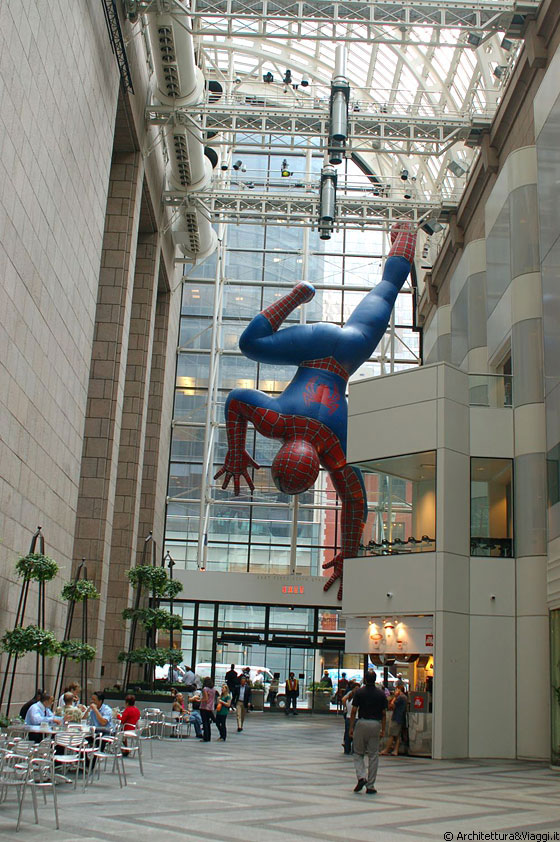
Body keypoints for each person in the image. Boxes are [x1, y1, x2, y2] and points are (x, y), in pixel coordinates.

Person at [215, 222, 417, 599]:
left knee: (388, 289)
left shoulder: (334, 449)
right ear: (279, 455)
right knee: (251, 344)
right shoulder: (277, 422)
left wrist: (349, 554)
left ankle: (406, 234)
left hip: (349, 352)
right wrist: (236, 451)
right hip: (315, 348)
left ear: (316, 471)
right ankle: (298, 295)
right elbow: (236, 400)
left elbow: (356, 500)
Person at [349, 671, 388, 795]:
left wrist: (351, 727)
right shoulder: (381, 694)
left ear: (365, 679)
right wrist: (383, 729)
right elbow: (384, 713)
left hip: (362, 723)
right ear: (375, 679)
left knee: (358, 753)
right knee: (373, 755)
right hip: (375, 724)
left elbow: (354, 711)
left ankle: (361, 777)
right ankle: (370, 785)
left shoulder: (360, 692)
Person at [381, 685, 408, 756]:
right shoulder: (405, 697)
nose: (395, 691)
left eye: (396, 689)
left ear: (399, 690)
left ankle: (386, 749)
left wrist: (395, 697)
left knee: (392, 734)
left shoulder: (400, 697)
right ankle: (395, 750)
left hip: (396, 717)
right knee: (397, 735)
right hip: (401, 718)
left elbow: (391, 705)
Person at [341, 680, 359, 754]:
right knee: (355, 735)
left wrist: (345, 708)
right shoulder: (355, 698)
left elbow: (343, 699)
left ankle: (347, 749)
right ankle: (353, 750)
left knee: (348, 734)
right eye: (356, 688)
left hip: (348, 718)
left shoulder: (349, 697)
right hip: (355, 718)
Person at [200, 677, 217, 742]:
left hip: (204, 707)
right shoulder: (213, 689)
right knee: (208, 722)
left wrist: (199, 700)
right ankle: (208, 737)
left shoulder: (205, 689)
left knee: (205, 722)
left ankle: (205, 737)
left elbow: (206, 698)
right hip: (210, 707)